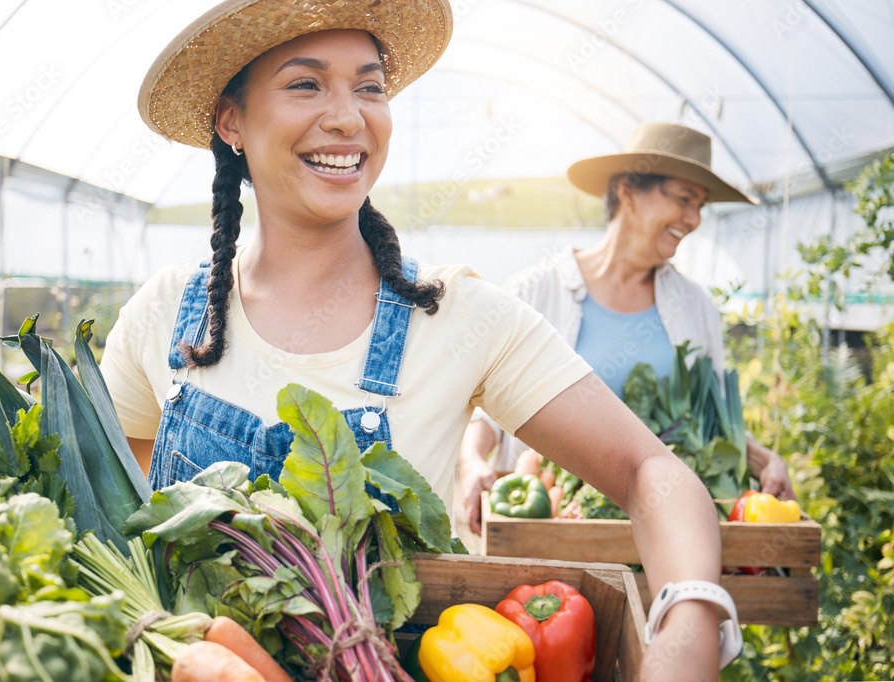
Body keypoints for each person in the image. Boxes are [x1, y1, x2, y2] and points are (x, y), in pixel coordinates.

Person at [101, 2, 737, 676]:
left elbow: (650, 471)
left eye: (369, 86)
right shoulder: (165, 313)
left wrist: (688, 621)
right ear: (231, 119)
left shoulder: (459, 315)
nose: (349, 116)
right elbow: (112, 506)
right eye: (305, 84)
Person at [461, 121, 797, 535]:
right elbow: (486, 411)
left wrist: (766, 461)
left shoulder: (695, 308)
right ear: (628, 189)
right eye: (684, 199)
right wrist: (473, 461)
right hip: (550, 522)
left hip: (665, 526)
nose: (694, 219)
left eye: (701, 206)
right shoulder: (536, 290)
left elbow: (709, 423)